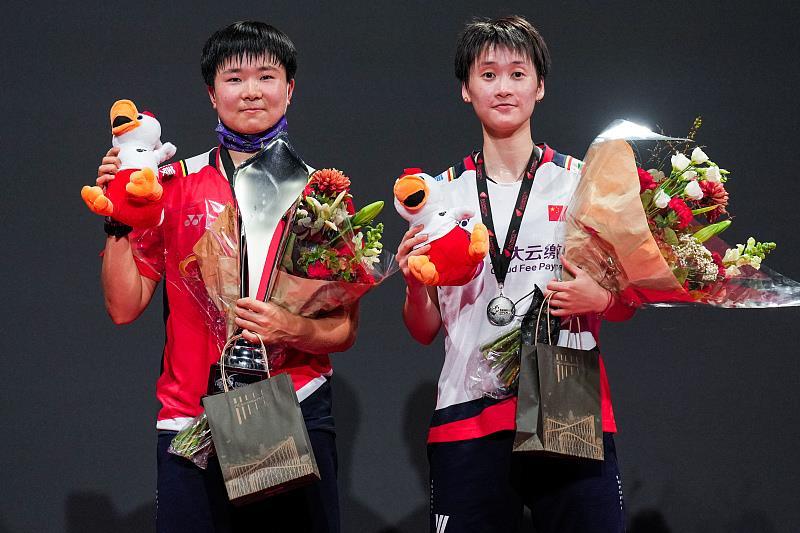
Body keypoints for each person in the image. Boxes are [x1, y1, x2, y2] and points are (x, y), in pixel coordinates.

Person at [95, 21, 354, 533]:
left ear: (289, 89)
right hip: (191, 419)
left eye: (266, 77)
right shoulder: (171, 184)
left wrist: (289, 327)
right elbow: (123, 307)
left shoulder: (321, 196)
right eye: (234, 78)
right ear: (212, 94)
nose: (251, 91)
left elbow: (344, 330)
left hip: (294, 409)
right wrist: (118, 213)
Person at [396, 15, 636, 533]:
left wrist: (601, 299)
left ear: (539, 86)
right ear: (466, 89)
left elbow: (627, 299)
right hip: (468, 414)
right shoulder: (438, 196)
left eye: (517, 73)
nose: (503, 87)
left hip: (568, 405)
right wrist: (415, 285)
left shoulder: (583, 184)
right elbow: (423, 329)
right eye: (488, 75)